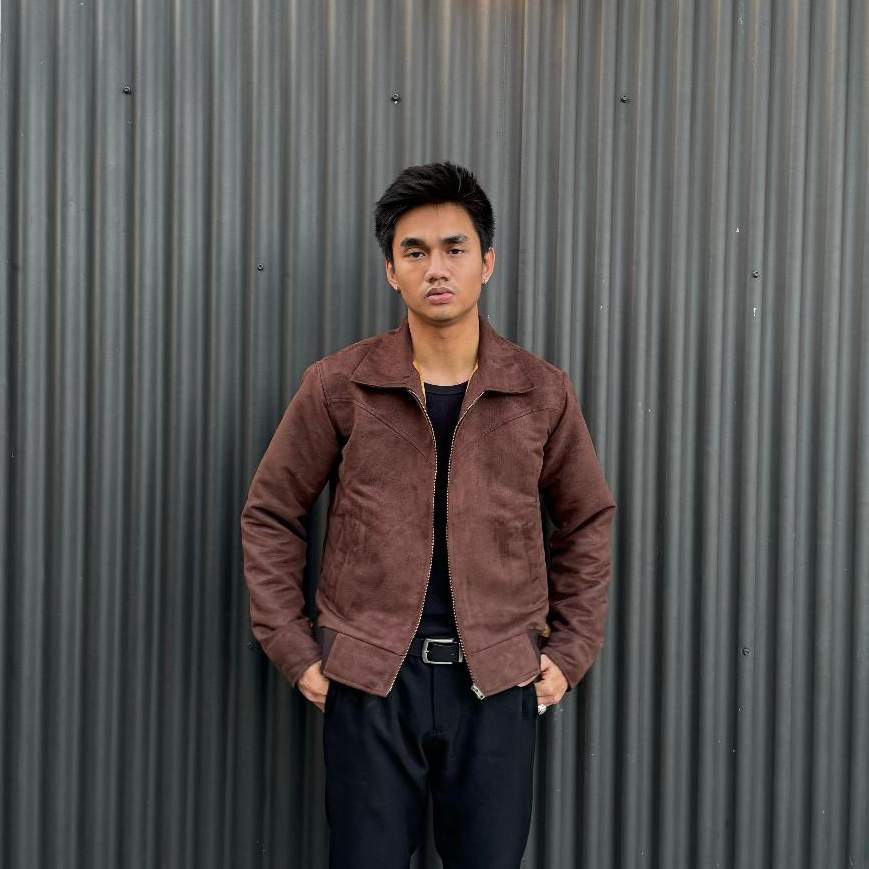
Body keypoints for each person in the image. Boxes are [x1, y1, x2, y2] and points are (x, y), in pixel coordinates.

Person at [240, 161, 617, 868]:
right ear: (391, 271)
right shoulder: (340, 385)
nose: (435, 267)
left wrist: (568, 655)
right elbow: (271, 512)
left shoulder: (540, 392)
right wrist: (296, 653)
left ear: (486, 263)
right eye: (414, 252)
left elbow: (586, 519)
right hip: (370, 681)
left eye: (454, 248)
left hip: (497, 682)